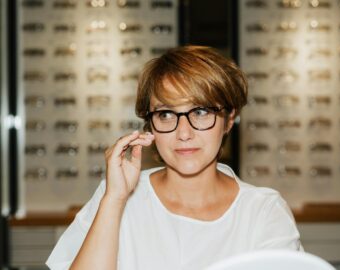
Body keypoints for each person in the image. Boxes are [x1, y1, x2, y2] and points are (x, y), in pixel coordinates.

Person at [46, 45, 302, 270]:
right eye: (166, 114)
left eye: (201, 111)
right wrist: (114, 199)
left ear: (229, 120)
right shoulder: (117, 197)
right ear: (150, 124)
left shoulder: (262, 211)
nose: (184, 133)